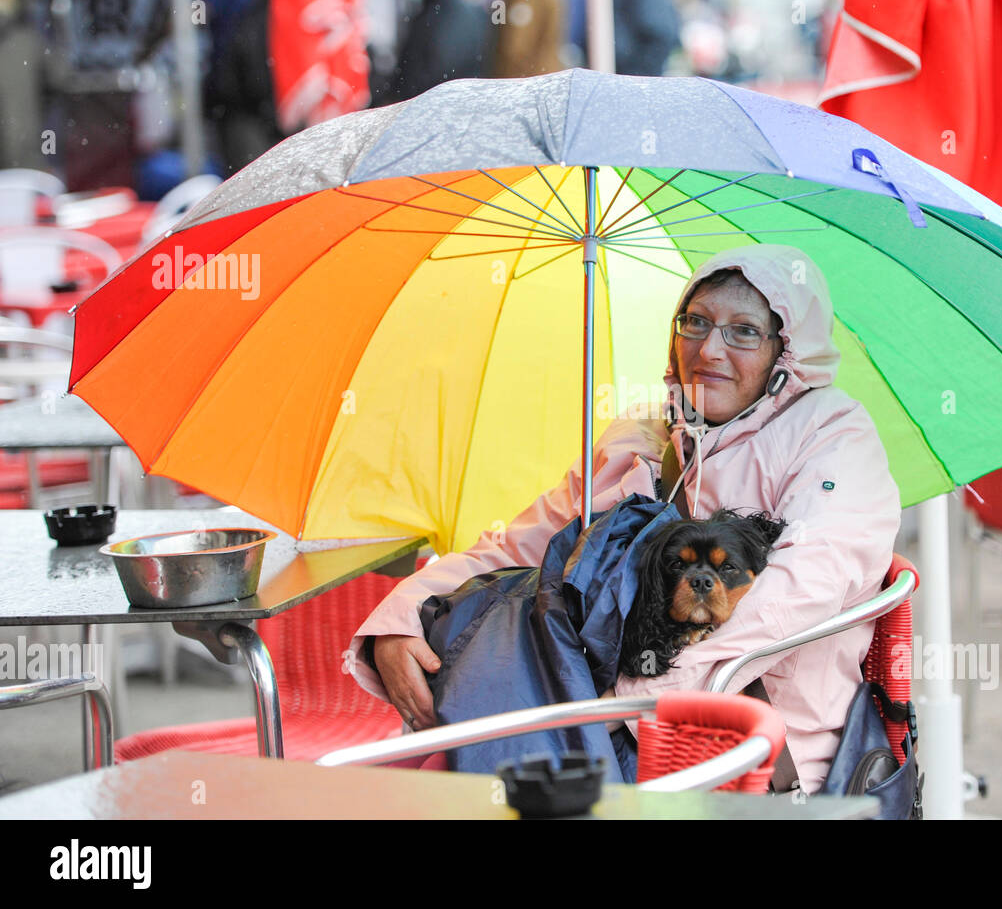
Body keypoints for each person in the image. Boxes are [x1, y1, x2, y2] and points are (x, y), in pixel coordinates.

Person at [347, 243, 902, 792]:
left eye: (744, 331)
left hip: (754, 744)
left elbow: (809, 580)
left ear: (787, 355)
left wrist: (650, 687)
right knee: (433, 781)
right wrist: (401, 617)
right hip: (588, 714)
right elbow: (518, 550)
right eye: (696, 322)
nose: (709, 350)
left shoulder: (832, 436)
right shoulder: (639, 439)